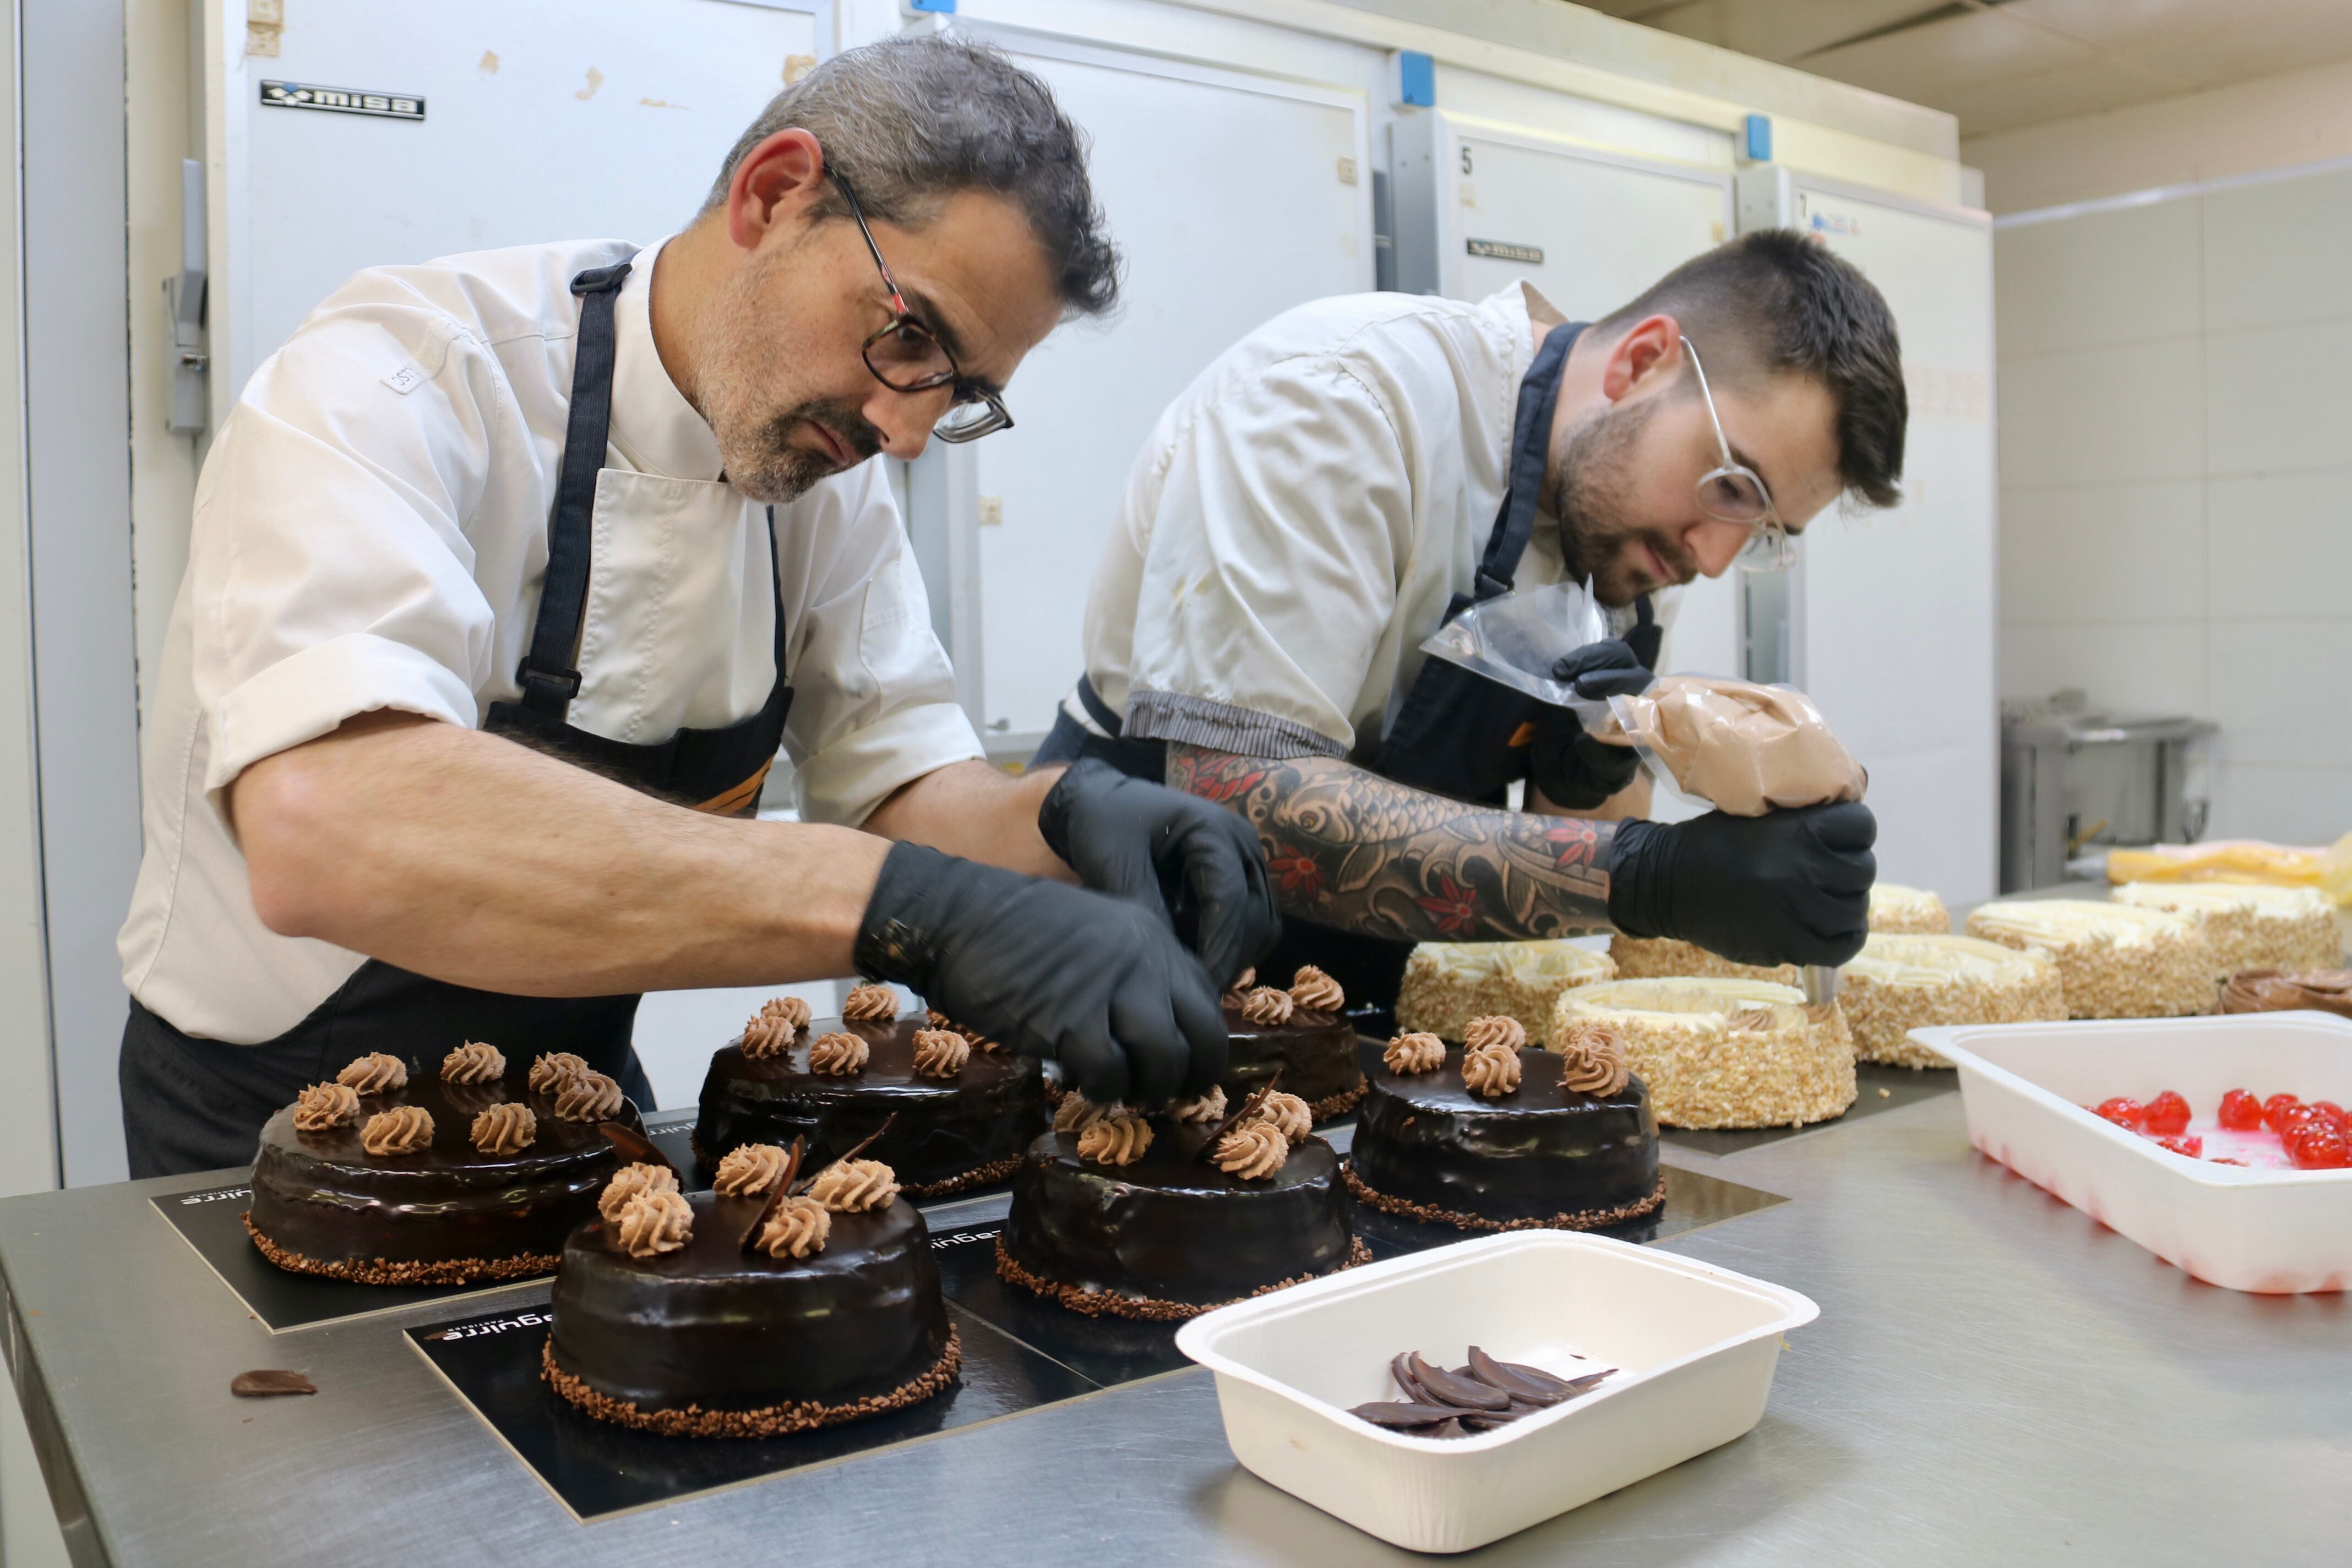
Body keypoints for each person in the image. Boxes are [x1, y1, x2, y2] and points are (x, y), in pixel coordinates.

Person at [115, 36, 1276, 1178]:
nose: (906, 431)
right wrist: (916, 908)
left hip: (579, 1100)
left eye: (960, 392)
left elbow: (897, 786)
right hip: (279, 1119)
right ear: (774, 194)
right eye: (909, 334)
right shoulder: (397, 383)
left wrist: (1064, 816)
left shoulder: (824, 479)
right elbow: (333, 827)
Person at [1036, 232, 1900, 1015]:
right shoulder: (1339, 398)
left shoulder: (1636, 527)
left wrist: (1590, 777)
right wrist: (1655, 875)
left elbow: (1578, 827)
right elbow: (1243, 805)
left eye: (1762, 531)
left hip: (1375, 978)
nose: (1715, 556)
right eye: (1733, 488)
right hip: (1142, 933)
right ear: (1642, 363)